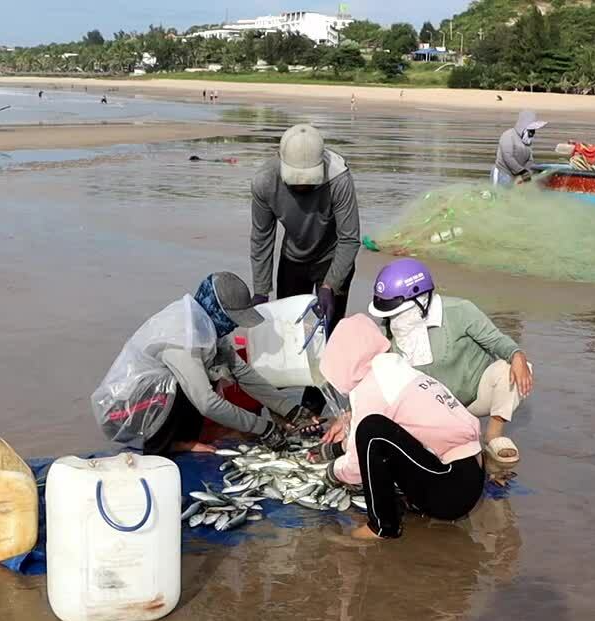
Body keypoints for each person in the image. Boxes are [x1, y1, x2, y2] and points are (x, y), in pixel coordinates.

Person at [92, 272, 310, 456]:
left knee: (214, 367)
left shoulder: (205, 323)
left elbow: (240, 371)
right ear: (218, 311)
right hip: (124, 412)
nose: (235, 327)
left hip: (151, 399)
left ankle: (183, 438)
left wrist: (290, 410)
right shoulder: (184, 337)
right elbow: (206, 403)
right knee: (192, 381)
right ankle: (168, 443)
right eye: (233, 319)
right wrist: (263, 428)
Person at [317, 315, 484, 540]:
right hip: (469, 474)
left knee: (371, 430)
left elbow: (358, 464)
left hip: (451, 491)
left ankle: (383, 526)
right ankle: (412, 501)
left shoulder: (371, 388)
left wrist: (333, 472)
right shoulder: (397, 370)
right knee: (373, 431)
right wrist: (347, 427)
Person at [364, 259, 532, 466]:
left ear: (422, 299)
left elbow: (497, 341)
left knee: (510, 368)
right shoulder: (388, 329)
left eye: (398, 313)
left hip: (473, 396)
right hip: (431, 406)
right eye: (390, 315)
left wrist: (517, 355)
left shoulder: (460, 310)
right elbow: (376, 376)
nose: (394, 319)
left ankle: (493, 436)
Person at [249, 124, 360, 336]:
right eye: (295, 181)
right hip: (293, 260)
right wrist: (260, 291)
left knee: (331, 331)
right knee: (286, 330)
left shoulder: (339, 178)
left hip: (332, 257)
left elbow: (349, 239)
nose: (301, 187)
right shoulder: (264, 181)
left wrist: (330, 285)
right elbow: (261, 239)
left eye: (308, 181)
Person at [492, 109, 547, 186]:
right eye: (531, 131)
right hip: (502, 172)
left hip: (516, 175)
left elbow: (530, 160)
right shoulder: (508, 135)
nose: (533, 133)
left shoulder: (527, 141)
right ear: (523, 128)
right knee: (498, 195)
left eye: (534, 131)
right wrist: (522, 171)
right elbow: (507, 157)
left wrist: (528, 173)